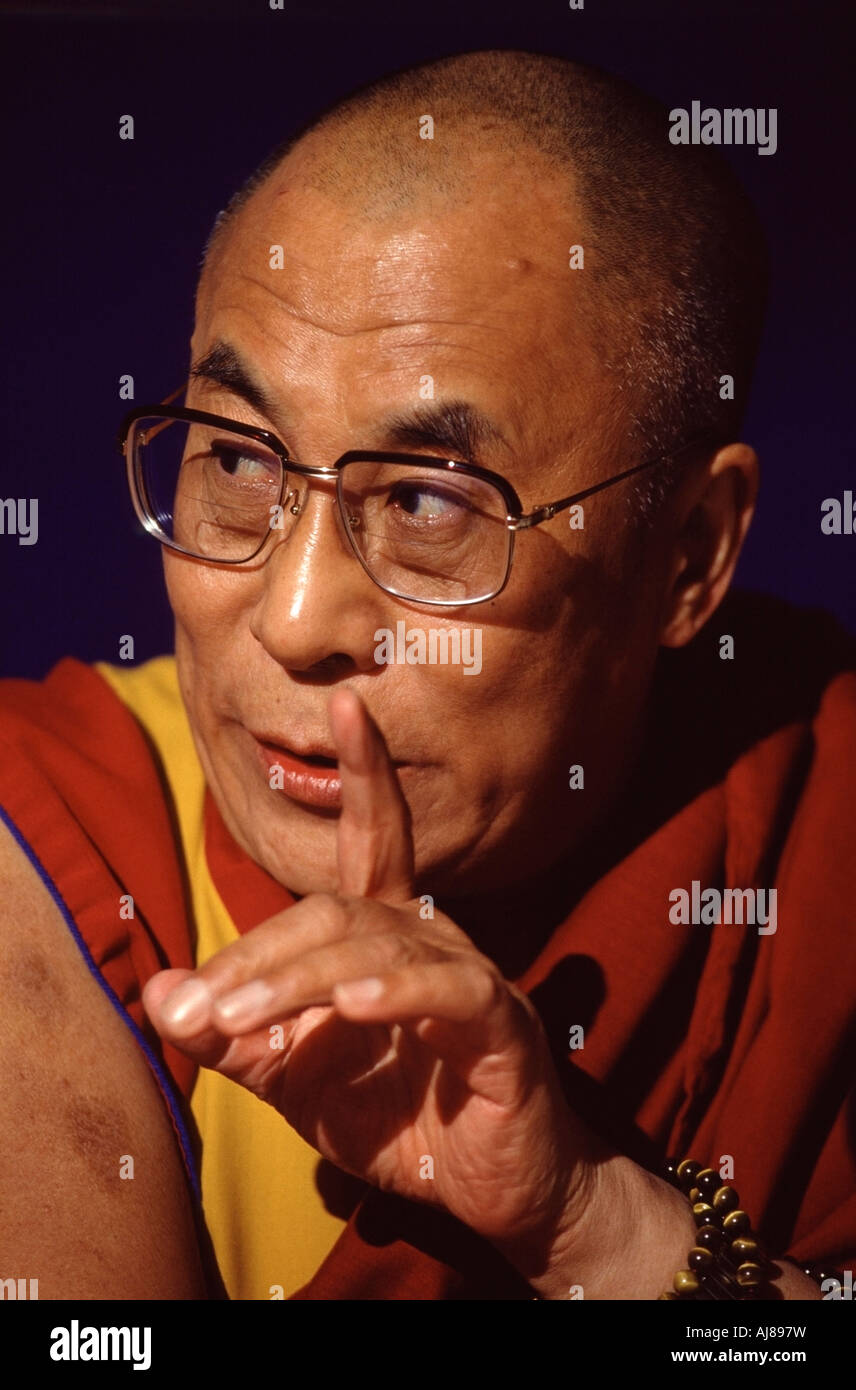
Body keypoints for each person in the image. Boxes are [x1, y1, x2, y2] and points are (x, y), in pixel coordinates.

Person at [1, 48, 854, 1302]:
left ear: (687, 558)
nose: (293, 621)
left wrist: (592, 1228)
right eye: (236, 460)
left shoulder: (820, 836)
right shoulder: (53, 846)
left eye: (426, 502)